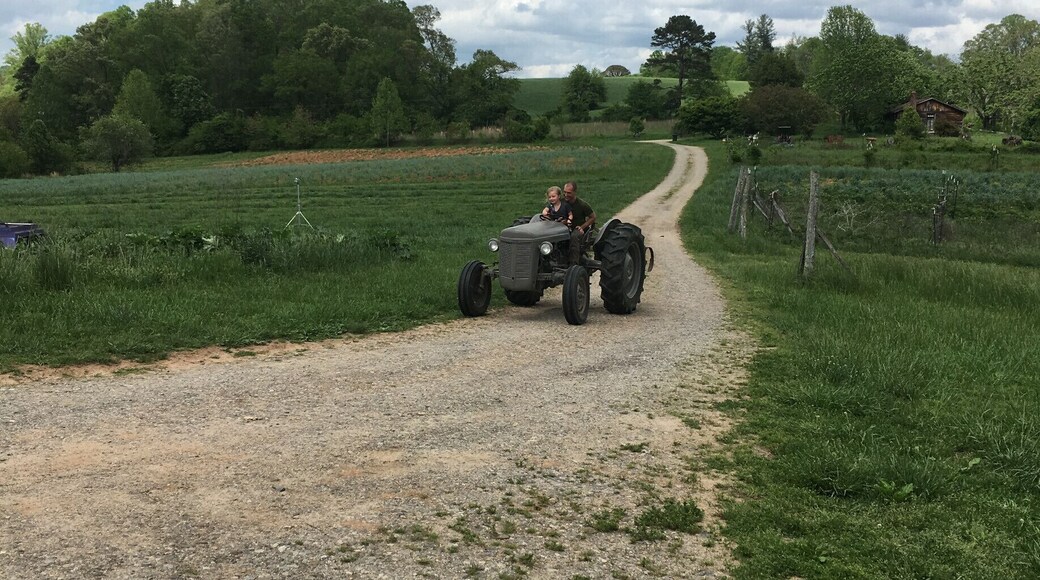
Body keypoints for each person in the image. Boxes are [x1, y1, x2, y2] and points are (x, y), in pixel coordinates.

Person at [563, 181, 596, 265]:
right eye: (565, 192)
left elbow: (593, 217)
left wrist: (582, 227)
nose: (566, 195)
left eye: (569, 193)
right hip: (563, 227)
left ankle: (574, 264)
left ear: (574, 192)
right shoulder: (561, 202)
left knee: (574, 237)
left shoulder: (582, 205)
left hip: (577, 228)